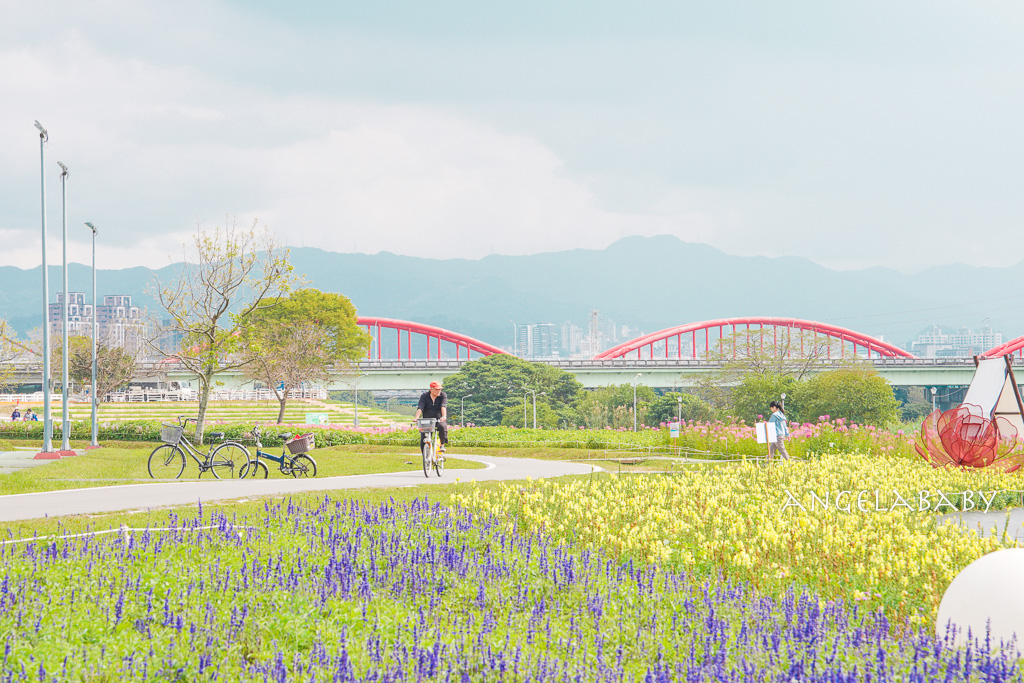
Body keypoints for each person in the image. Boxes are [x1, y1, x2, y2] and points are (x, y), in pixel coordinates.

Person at [414, 381, 448, 454]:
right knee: (423, 438)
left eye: (439, 389)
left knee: (442, 427)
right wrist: (416, 417)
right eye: (436, 389)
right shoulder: (424, 396)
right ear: (431, 389)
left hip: (438, 419)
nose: (438, 391)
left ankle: (442, 445)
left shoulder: (443, 395)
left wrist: (444, 416)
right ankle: (425, 456)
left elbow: (443, 406)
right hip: (427, 420)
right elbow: (420, 407)